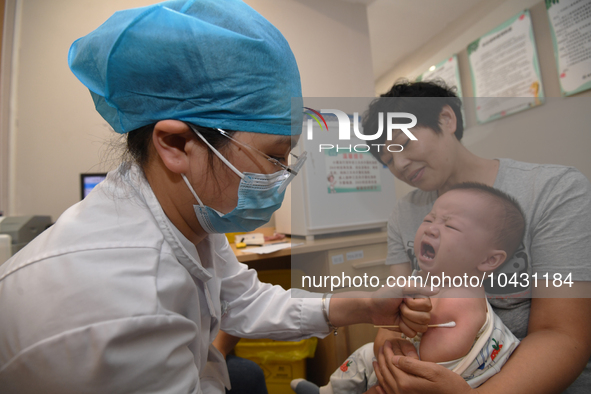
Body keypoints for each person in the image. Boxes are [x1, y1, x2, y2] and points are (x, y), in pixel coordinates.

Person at [0, 3, 434, 393]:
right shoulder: (117, 305)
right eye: (273, 156)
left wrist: (363, 305)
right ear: (175, 144)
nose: (283, 176)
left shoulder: (186, 212)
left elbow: (240, 300)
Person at [362, 80, 591, 394]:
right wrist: (396, 360)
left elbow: (563, 335)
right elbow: (392, 319)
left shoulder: (552, 191)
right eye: (388, 161)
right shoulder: (404, 215)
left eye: (403, 144)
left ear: (446, 119)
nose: (399, 164)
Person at [291, 183, 523, 394]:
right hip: (406, 363)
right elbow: (388, 328)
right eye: (429, 219)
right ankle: (328, 391)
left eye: (450, 225)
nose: (431, 229)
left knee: (367, 359)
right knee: (364, 355)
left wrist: (395, 351)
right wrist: (389, 343)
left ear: (488, 260)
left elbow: (438, 357)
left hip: (438, 377)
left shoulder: (462, 296)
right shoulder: (421, 278)